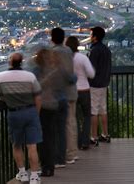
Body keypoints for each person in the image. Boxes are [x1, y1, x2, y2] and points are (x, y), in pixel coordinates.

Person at [0, 53, 42, 184]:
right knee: (32, 146)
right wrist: (36, 114)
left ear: (10, 63)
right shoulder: (30, 76)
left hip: (14, 113)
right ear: (21, 62)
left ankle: (22, 173)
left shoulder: (0, 77)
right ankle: (34, 176)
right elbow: (38, 96)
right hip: (30, 111)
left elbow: (0, 94)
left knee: (16, 145)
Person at [32, 48, 62, 177]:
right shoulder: (53, 70)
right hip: (53, 105)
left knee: (42, 138)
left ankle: (45, 166)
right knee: (50, 137)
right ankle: (50, 166)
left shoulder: (37, 72)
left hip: (41, 106)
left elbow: (35, 87)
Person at [51, 27, 76, 168]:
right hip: (69, 92)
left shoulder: (53, 53)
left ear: (52, 38)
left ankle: (58, 157)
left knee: (56, 127)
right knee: (66, 125)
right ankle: (69, 155)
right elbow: (70, 73)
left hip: (56, 94)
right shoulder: (68, 51)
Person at [65, 36, 95, 151]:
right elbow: (91, 74)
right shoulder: (82, 58)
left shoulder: (66, 59)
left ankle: (76, 142)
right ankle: (85, 141)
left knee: (73, 117)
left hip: (71, 91)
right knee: (87, 116)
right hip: (84, 90)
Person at [88, 26, 112, 145]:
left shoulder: (94, 50)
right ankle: (105, 134)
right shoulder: (106, 50)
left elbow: (91, 70)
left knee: (94, 111)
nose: (90, 37)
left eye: (91, 35)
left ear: (95, 37)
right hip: (104, 83)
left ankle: (94, 136)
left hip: (95, 84)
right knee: (103, 109)